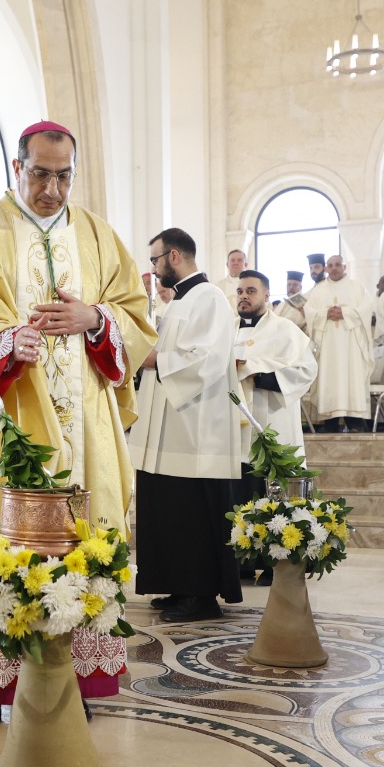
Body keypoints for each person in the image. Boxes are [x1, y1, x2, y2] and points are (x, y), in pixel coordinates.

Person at [0, 120, 154, 724]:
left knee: (81, 533)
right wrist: (2, 342)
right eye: (41, 173)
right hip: (3, 419)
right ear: (16, 168)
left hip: (84, 420)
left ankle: (74, 675)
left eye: (64, 175)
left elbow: (134, 314)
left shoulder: (98, 234)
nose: (52, 187)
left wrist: (94, 319)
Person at [130, 228, 243, 621]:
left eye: (155, 259)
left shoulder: (208, 297)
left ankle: (200, 595)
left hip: (196, 428)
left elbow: (207, 360)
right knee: (171, 508)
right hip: (169, 426)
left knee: (192, 511)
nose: (154, 268)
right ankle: (179, 586)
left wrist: (154, 360)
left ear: (174, 256)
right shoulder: (181, 301)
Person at [233, 268, 319, 581]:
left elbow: (306, 369)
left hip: (273, 419)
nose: (244, 296)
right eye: (240, 291)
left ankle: (277, 561)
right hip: (234, 429)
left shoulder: (286, 330)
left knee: (274, 491)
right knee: (240, 490)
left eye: (251, 291)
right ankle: (242, 560)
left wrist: (258, 374)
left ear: (267, 295)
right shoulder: (225, 331)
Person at [304, 254, 373, 431]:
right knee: (329, 377)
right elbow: (309, 311)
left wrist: (345, 313)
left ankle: (355, 422)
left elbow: (366, 308)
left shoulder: (357, 287)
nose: (334, 268)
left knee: (352, 376)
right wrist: (325, 313)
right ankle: (330, 422)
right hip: (327, 345)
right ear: (326, 268)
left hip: (351, 344)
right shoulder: (319, 290)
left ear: (344, 267)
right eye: (330, 265)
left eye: (337, 265)